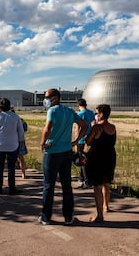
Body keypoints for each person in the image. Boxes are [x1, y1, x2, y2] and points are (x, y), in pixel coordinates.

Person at [38, 88, 88, 225]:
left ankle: (46, 216)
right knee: (66, 186)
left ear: (55, 97)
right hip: (66, 152)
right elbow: (84, 125)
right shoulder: (69, 111)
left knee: (49, 185)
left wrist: (42, 143)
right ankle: (68, 216)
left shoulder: (52, 111)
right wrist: (76, 141)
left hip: (52, 153)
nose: (45, 99)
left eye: (47, 97)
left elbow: (48, 128)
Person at [84, 104, 116, 223]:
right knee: (106, 183)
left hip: (97, 158)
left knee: (97, 186)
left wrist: (93, 126)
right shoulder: (113, 127)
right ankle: (106, 206)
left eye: (97, 113)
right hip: (110, 157)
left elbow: (88, 141)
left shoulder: (97, 128)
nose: (95, 115)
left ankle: (99, 215)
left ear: (101, 115)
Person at [0, 98, 25, 195]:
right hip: (13, 145)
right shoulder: (15, 117)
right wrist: (20, 141)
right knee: (11, 168)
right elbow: (20, 131)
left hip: (0, 145)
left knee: (0, 167)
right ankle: (12, 188)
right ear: (9, 106)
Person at [76, 98, 96, 189]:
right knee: (87, 158)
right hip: (90, 138)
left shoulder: (80, 114)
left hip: (81, 140)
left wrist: (76, 140)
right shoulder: (91, 113)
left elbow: (78, 128)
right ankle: (82, 177)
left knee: (82, 160)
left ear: (79, 106)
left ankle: (86, 180)